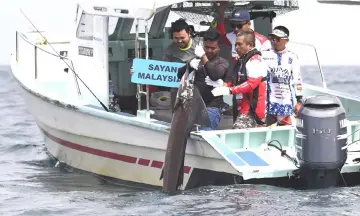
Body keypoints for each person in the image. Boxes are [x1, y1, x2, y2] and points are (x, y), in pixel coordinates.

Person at [130, 19, 198, 109]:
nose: (179, 41)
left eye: (182, 38)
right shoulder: (170, 50)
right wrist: (137, 71)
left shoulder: (199, 46)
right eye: (176, 38)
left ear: (189, 33)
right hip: (177, 88)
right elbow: (161, 71)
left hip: (197, 87)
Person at [210, 30, 268, 129]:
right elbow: (236, 82)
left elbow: (251, 84)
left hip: (253, 110)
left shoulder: (255, 61)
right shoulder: (241, 61)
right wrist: (222, 85)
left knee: (237, 135)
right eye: (235, 44)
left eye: (239, 44)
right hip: (241, 108)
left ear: (250, 45)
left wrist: (230, 90)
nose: (236, 47)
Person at [177, 30, 230, 130]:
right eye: (207, 47)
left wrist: (203, 56)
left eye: (213, 48)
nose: (209, 50)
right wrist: (189, 66)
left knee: (204, 134)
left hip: (211, 107)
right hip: (193, 106)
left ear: (219, 48)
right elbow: (179, 75)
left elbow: (214, 75)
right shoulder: (197, 60)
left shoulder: (223, 63)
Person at [262, 26, 303, 126]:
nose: (274, 41)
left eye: (278, 39)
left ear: (286, 40)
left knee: (284, 132)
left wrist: (299, 101)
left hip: (286, 103)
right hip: (267, 102)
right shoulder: (264, 54)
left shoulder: (293, 57)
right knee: (267, 132)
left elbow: (297, 80)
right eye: (272, 38)